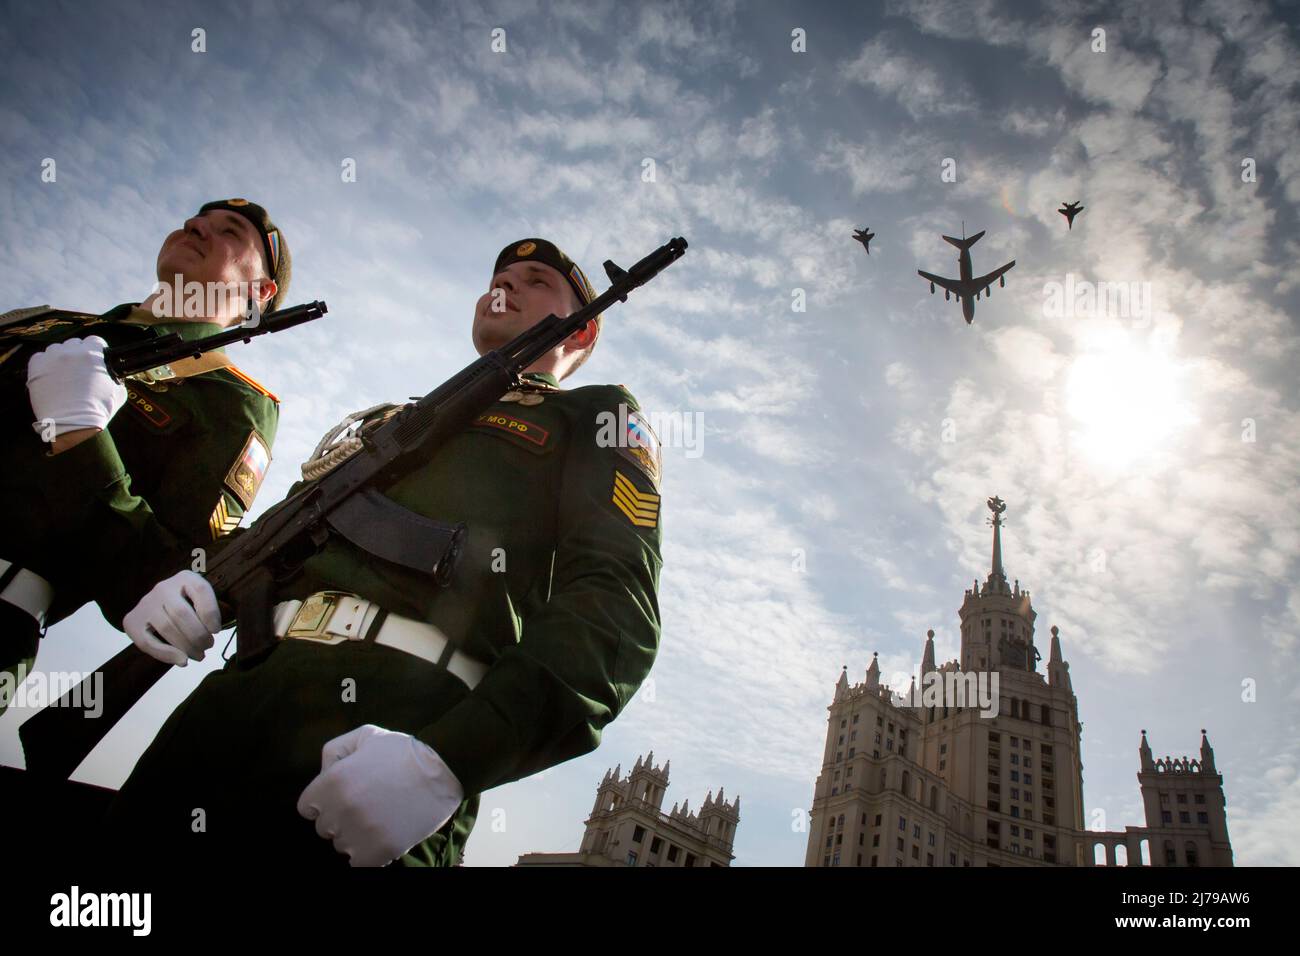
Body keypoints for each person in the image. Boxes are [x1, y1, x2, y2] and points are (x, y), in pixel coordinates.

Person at [106, 238, 664, 867]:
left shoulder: (597, 415)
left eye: (536, 280)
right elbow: (278, 533)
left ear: (583, 331)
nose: (503, 286)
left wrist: (452, 758)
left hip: (397, 728)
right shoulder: (386, 425)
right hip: (237, 699)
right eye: (498, 275)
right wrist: (204, 582)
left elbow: (614, 610)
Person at [0, 198, 289, 713]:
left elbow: (160, 578)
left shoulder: (232, 402)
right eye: (196, 219)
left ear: (260, 292)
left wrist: (81, 438)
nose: (198, 225)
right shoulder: (40, 322)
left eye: (229, 231)